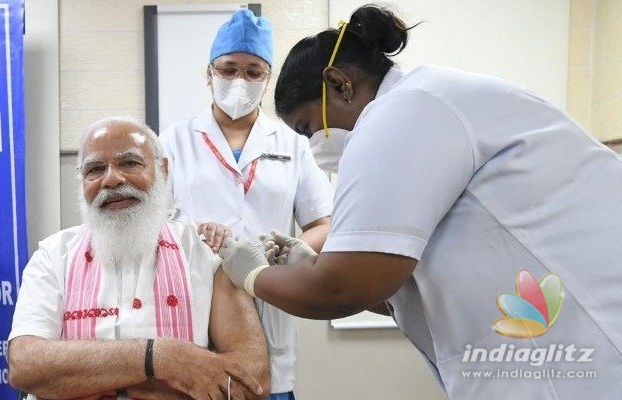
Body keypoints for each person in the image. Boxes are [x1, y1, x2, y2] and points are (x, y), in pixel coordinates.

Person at [218, 4, 622, 399]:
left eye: (308, 128)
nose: (314, 147)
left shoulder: (402, 114)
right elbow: (399, 288)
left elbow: (341, 289)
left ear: (339, 84)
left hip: (584, 357)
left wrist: (253, 274)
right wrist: (305, 265)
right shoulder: (429, 102)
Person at [7, 117, 270, 400]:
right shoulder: (53, 255)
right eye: (95, 169)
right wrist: (161, 358)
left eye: (130, 163)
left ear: (163, 171)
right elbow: (25, 365)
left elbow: (252, 378)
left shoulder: (207, 251)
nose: (112, 179)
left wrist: (91, 379)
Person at [158, 8, 334, 400]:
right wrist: (195, 239)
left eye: (253, 72)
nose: (240, 80)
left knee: (264, 387)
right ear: (209, 73)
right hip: (196, 296)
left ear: (267, 78)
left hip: (270, 295)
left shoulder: (291, 143)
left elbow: (323, 222)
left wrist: (285, 255)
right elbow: (152, 225)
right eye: (228, 69)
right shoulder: (173, 140)